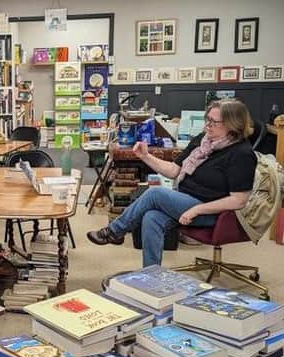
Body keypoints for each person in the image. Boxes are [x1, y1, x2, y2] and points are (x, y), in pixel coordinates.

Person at [87, 99, 257, 267]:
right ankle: (151, 274)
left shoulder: (241, 154)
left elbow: (238, 200)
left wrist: (197, 209)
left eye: (214, 122)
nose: (207, 125)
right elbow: (174, 170)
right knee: (151, 217)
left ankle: (114, 231)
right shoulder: (203, 141)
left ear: (233, 124)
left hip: (212, 211)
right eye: (207, 120)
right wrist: (145, 156)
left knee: (155, 193)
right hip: (185, 199)